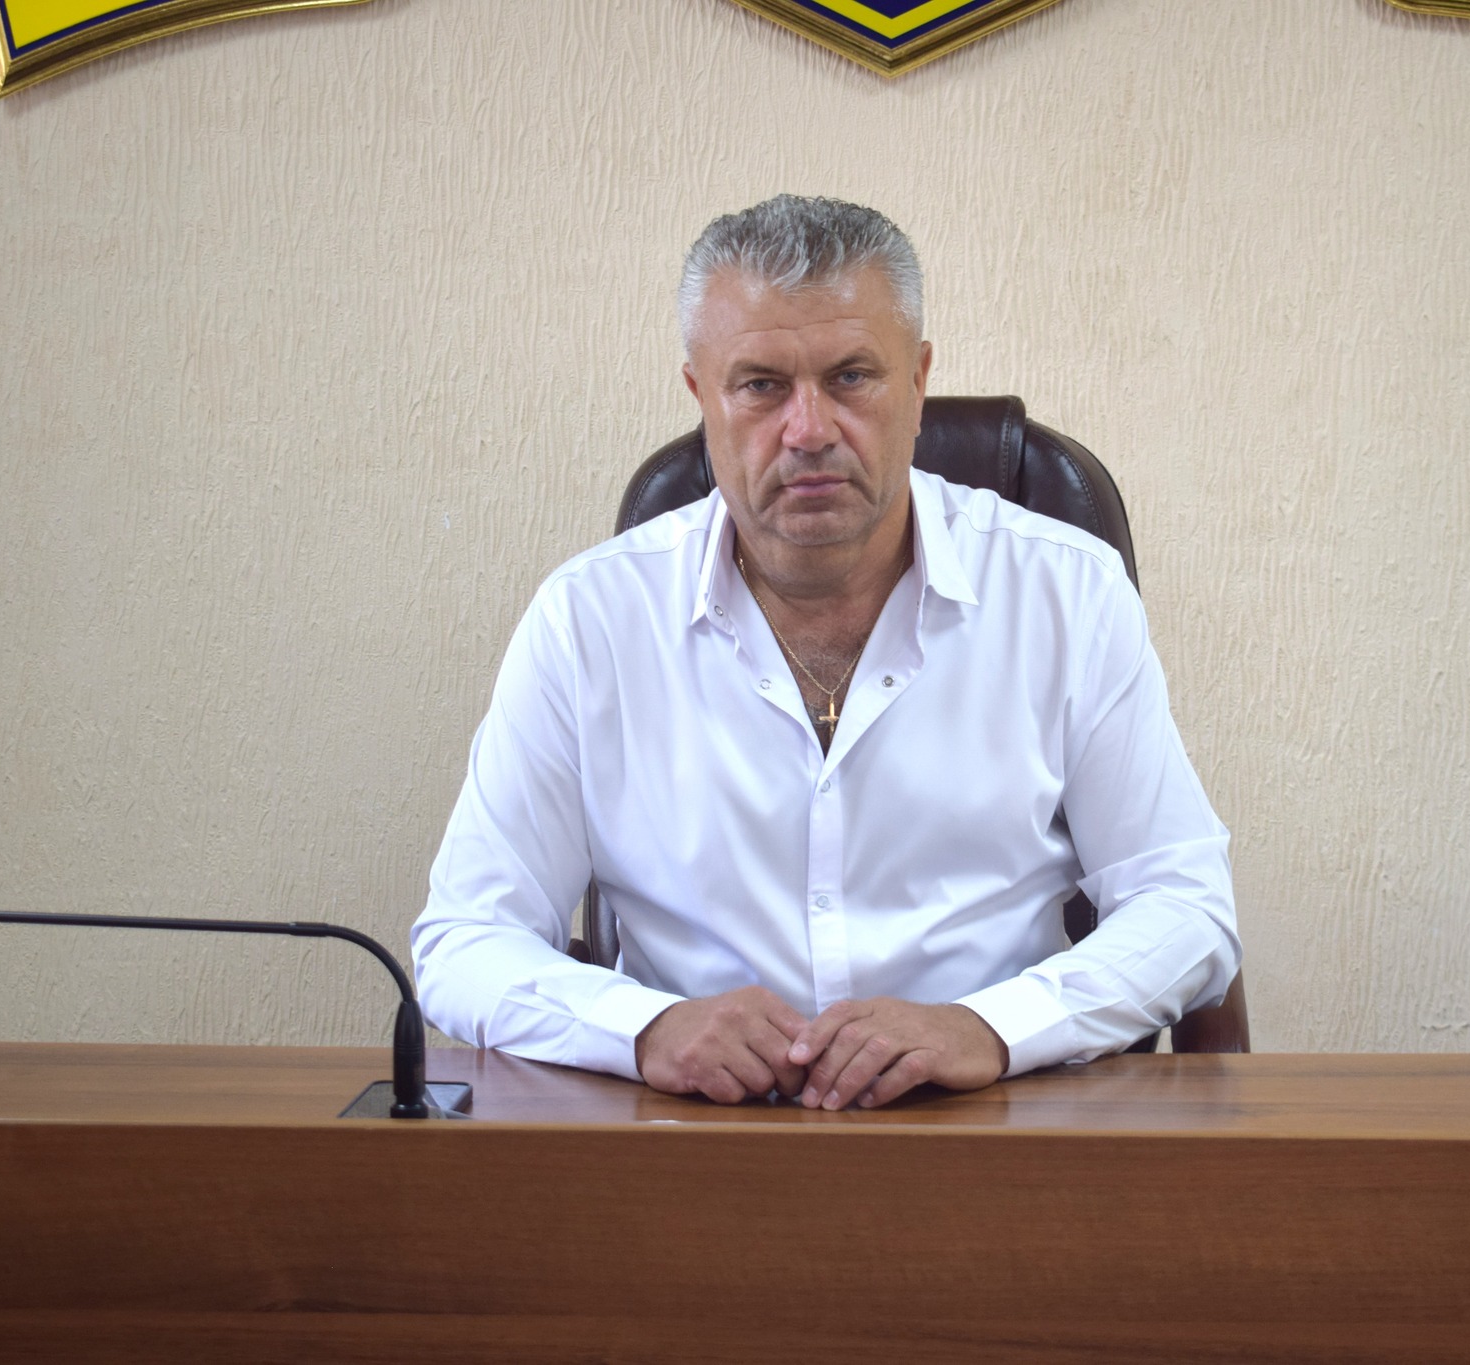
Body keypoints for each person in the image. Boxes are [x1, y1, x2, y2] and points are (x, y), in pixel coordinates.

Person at [412, 195, 1238, 1110]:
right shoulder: (590, 620)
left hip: (992, 1125)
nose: (808, 430)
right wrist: (642, 1029)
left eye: (851, 377)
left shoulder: (1066, 594)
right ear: (701, 397)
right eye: (761, 385)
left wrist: (992, 1026)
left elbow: (1185, 905)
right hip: (691, 1132)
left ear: (918, 383)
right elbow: (464, 938)